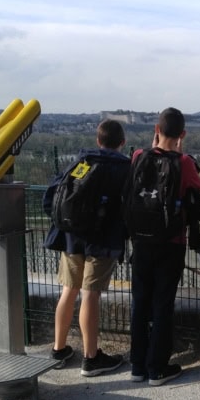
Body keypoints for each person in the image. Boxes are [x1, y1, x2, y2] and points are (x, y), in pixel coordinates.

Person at [44, 119, 130, 376]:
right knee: (90, 294)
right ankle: (91, 357)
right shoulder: (124, 167)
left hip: (71, 236)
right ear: (122, 142)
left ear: (98, 140)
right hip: (102, 240)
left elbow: (52, 196)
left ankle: (59, 349)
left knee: (68, 290)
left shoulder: (80, 162)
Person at [128, 107, 200, 386]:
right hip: (171, 242)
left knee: (140, 302)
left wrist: (156, 147)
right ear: (182, 134)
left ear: (156, 131)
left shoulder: (138, 156)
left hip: (141, 241)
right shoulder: (183, 163)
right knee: (162, 303)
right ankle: (157, 367)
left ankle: (137, 366)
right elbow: (196, 186)